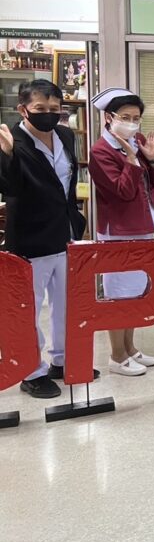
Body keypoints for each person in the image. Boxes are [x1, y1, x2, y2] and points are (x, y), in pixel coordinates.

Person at [0, 79, 87, 398]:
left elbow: (67, 183)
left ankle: (61, 361)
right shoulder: (11, 141)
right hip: (30, 239)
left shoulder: (65, 135)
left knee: (66, 303)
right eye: (40, 108)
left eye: (54, 108)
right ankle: (31, 371)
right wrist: (8, 155)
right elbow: (9, 188)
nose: (48, 114)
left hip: (64, 234)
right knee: (30, 308)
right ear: (23, 109)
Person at [88, 87, 154, 376]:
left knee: (136, 291)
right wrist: (132, 160)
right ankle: (117, 355)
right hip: (119, 230)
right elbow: (121, 192)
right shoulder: (100, 151)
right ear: (109, 117)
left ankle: (130, 348)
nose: (132, 123)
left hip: (143, 225)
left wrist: (152, 158)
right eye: (125, 117)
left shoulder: (138, 141)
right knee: (119, 294)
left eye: (136, 118)